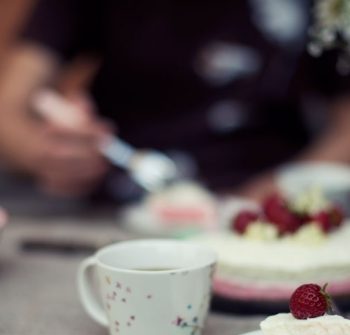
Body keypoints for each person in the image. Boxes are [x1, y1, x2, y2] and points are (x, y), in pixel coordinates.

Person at [0, 0, 350, 202]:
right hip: (118, 207)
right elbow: (7, 110)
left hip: (270, 215)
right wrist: (43, 152)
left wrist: (287, 187)